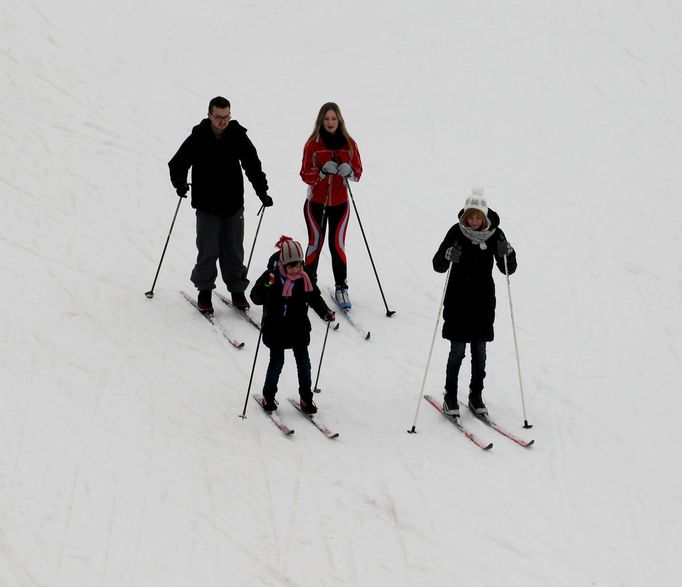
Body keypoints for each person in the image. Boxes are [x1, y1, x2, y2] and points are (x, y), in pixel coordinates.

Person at [168, 96, 273, 314]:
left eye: (226, 117)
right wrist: (180, 184)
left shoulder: (238, 136)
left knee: (234, 251)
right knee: (208, 250)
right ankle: (204, 291)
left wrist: (262, 191)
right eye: (218, 117)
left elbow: (252, 165)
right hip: (207, 206)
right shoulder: (198, 137)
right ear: (210, 115)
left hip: (233, 205)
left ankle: (237, 291)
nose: (222, 121)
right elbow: (177, 162)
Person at [432, 188, 517, 418]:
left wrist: (508, 253)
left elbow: (507, 268)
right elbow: (437, 264)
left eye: (478, 217)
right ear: (465, 217)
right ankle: (450, 395)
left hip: (482, 301)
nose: (474, 221)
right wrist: (447, 255)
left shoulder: (496, 235)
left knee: (480, 352)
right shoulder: (456, 232)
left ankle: (475, 394)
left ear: (485, 217)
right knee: (457, 351)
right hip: (458, 300)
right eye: (470, 217)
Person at [250, 236, 336, 414]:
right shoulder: (272, 277)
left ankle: (306, 398)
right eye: (292, 266)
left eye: (298, 264)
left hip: (298, 328)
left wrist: (325, 312)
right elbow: (255, 298)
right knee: (277, 362)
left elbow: (314, 298)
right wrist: (267, 285)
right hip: (276, 329)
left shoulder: (305, 278)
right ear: (283, 263)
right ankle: (268, 395)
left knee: (304, 363)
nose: (296, 269)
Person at [299, 102, 362, 309]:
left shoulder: (349, 144)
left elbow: (358, 172)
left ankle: (341, 286)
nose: (330, 122)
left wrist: (349, 171)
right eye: (326, 119)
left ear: (339, 120)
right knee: (315, 242)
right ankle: (308, 283)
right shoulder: (313, 145)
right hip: (315, 203)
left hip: (340, 204)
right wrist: (321, 172)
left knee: (337, 245)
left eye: (333, 118)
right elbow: (305, 174)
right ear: (321, 121)